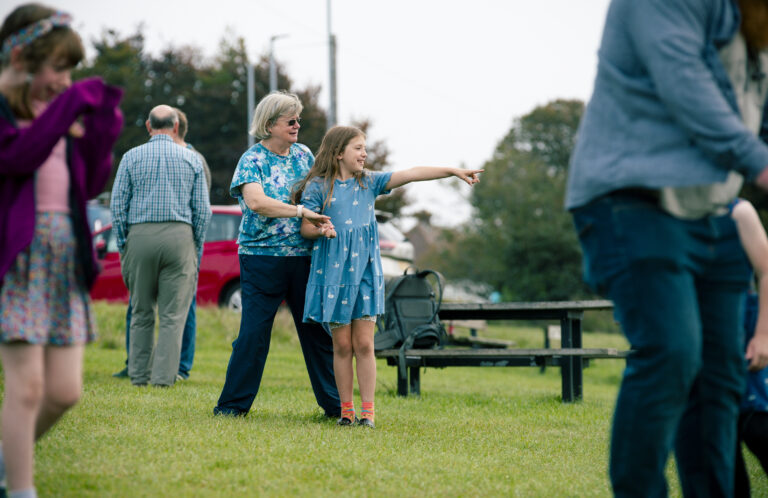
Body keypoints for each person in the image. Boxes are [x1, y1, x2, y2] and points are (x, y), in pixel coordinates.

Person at [565, 0, 768, 495]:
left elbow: (752, 113)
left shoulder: (751, 20)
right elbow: (687, 88)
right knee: (673, 353)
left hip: (712, 208)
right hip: (632, 197)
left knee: (721, 380)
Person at [0, 4, 123, 497]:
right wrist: (66, 110)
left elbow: (90, 183)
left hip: (64, 260)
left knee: (65, 392)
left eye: (70, 69)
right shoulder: (7, 115)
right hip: (18, 261)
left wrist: (100, 133)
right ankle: (21, 488)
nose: (63, 81)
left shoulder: (61, 120)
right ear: (22, 61)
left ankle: (8, 457)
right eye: (56, 66)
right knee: (27, 388)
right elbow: (16, 157)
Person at [293, 125, 482, 427]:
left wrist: (451, 170)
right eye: (358, 148)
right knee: (342, 346)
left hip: (366, 274)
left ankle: (367, 413)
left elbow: (411, 173)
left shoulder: (369, 183)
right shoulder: (318, 186)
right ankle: (346, 411)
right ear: (339, 152)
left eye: (365, 148)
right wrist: (322, 229)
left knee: (365, 345)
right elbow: (305, 228)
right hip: (335, 275)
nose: (364, 153)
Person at [213, 91, 340, 418]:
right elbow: (256, 202)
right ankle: (231, 407)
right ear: (269, 125)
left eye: (299, 119)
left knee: (315, 332)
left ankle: (337, 407)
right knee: (253, 334)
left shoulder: (303, 155)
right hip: (261, 258)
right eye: (291, 120)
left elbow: (320, 195)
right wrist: (299, 212)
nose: (298, 125)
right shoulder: (251, 160)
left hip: (303, 257)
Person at [110, 104, 211, 387]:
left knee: (140, 311)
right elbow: (202, 210)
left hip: (139, 236)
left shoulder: (131, 157)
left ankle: (139, 376)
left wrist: (124, 244)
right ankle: (163, 380)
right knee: (172, 315)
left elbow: (118, 206)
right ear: (176, 126)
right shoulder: (191, 159)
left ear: (148, 126)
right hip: (180, 237)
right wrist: (195, 244)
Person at [731, 199, 768, 497]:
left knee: (758, 427)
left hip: (746, 337)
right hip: (701, 347)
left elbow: (766, 269)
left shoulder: (739, 212)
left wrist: (764, 335)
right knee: (721, 457)